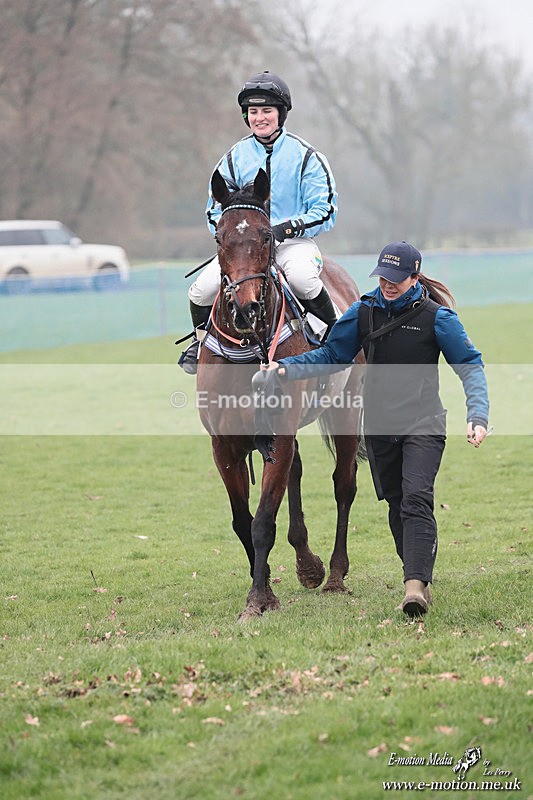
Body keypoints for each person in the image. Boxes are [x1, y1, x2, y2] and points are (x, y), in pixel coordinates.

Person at [256, 241, 490, 617]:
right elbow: (331, 356)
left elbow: (470, 364)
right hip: (380, 428)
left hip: (423, 423)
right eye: (383, 276)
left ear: (415, 277)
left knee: (415, 498)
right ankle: (417, 574)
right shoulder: (362, 313)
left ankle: (414, 587)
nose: (388, 284)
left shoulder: (437, 318)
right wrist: (285, 368)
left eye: (396, 278)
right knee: (397, 504)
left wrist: (477, 413)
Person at [179, 70, 339, 373]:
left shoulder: (307, 157)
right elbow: (214, 209)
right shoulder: (233, 158)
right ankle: (200, 343)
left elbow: (326, 209)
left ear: (281, 113)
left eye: (267, 110)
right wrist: (234, 238)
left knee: (303, 279)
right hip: (244, 247)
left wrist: (285, 228)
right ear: (246, 116)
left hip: (293, 242)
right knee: (200, 290)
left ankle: (335, 335)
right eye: (253, 112)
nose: (260, 118)